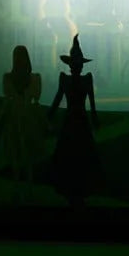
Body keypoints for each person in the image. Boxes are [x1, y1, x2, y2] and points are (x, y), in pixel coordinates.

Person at [46, 34, 104, 208]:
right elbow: (90, 105)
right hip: (78, 120)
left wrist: (48, 116)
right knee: (78, 154)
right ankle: (76, 191)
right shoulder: (81, 80)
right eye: (76, 64)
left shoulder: (71, 80)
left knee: (72, 153)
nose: (77, 66)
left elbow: (59, 101)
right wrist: (95, 119)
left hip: (73, 120)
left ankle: (74, 191)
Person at [0, 44, 48, 201]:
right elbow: (35, 102)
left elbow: (7, 102)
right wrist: (45, 122)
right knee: (27, 155)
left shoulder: (8, 78)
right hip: (27, 118)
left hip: (15, 119)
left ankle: (17, 189)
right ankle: (27, 189)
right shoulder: (34, 79)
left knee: (17, 155)